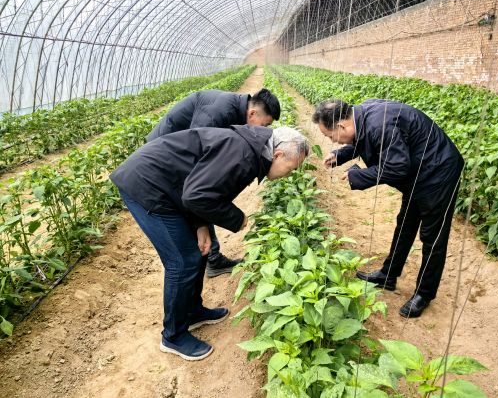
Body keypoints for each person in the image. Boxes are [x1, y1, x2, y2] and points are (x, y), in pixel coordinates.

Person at [110, 125, 308, 360]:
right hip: (147, 184)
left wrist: (201, 225)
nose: (289, 174)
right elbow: (197, 195)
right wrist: (237, 218)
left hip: (173, 187)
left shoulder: (250, 152)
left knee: (199, 251)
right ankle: (173, 336)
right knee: (182, 262)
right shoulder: (242, 156)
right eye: (291, 168)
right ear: (278, 155)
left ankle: (192, 312)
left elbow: (203, 189)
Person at [313, 99, 464, 318]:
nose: (332, 140)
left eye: (330, 136)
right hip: (418, 168)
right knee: (406, 223)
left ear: (342, 125)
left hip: (438, 171)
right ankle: (388, 274)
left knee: (433, 235)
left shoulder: (379, 125)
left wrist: (358, 175)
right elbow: (364, 140)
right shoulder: (360, 117)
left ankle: (424, 293)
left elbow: (396, 167)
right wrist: (341, 155)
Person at [146, 88, 281, 278]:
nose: (263, 131)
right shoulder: (216, 113)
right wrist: (201, 223)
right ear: (252, 113)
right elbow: (193, 167)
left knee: (206, 197)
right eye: (264, 125)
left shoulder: (235, 111)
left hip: (172, 155)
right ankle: (207, 259)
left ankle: (212, 257)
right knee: (198, 202)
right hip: (161, 160)